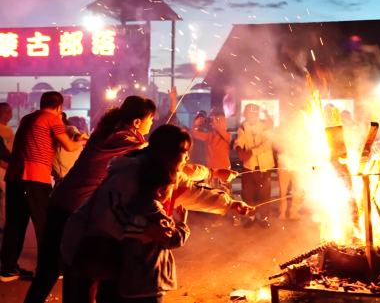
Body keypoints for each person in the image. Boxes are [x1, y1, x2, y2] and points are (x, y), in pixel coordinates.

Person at [60, 125, 252, 303]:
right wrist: (145, 228)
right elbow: (105, 214)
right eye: (184, 152)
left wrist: (230, 204)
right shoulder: (130, 173)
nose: (187, 158)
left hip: (122, 258)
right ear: (167, 153)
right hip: (90, 247)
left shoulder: (162, 173)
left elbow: (191, 190)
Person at [24, 96, 156, 303]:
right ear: (137, 122)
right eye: (151, 118)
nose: (152, 123)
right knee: (78, 270)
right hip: (75, 208)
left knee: (51, 269)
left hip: (62, 200)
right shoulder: (121, 137)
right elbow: (152, 154)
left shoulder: (109, 131)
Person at [0, 92, 87, 283]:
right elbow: (70, 147)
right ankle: (49, 268)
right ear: (59, 107)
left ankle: (8, 269)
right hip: (35, 178)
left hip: (15, 177)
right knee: (47, 225)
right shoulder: (52, 119)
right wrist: (83, 140)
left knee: (15, 224)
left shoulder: (27, 119)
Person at [117, 156, 190, 303]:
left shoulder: (131, 206)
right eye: (170, 189)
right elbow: (173, 240)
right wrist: (182, 224)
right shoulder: (155, 213)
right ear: (161, 191)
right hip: (150, 282)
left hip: (129, 281)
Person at [234, 104, 275, 228]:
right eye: (248, 113)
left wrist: (252, 152)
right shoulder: (243, 127)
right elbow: (239, 140)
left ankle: (264, 217)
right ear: (245, 114)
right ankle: (251, 217)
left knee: (264, 194)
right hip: (249, 166)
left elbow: (267, 144)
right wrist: (238, 148)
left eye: (253, 113)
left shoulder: (265, 126)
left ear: (257, 114)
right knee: (248, 193)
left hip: (264, 166)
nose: (251, 116)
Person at [52, 113, 85, 184]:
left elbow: (76, 135)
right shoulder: (52, 133)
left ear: (60, 118)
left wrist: (80, 138)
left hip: (71, 178)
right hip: (60, 180)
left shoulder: (69, 129)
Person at [0, 102, 14, 230]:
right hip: (4, 167)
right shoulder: (6, 131)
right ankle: (3, 224)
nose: (11, 114)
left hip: (5, 165)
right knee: (5, 197)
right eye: (9, 111)